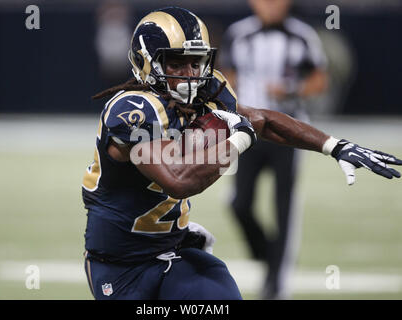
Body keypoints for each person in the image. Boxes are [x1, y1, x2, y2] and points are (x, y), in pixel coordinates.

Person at [81, 6, 401, 300]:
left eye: (196, 62)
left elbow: (263, 120)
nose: (190, 74)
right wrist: (237, 142)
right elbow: (177, 181)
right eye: (176, 63)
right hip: (121, 267)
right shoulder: (133, 109)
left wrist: (335, 146)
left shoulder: (204, 92)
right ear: (145, 62)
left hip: (173, 250)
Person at [220, 0, 328, 299]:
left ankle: (276, 283)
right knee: (239, 203)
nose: (270, 6)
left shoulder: (302, 35)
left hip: (288, 133)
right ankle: (269, 256)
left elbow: (320, 80)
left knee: (284, 208)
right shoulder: (239, 34)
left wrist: (291, 90)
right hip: (249, 131)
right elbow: (226, 77)